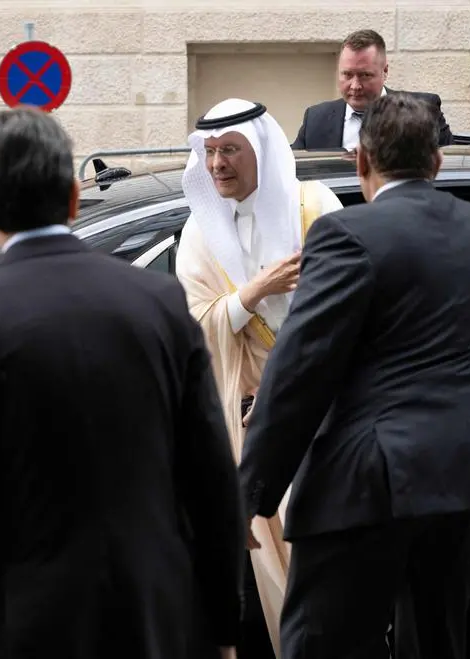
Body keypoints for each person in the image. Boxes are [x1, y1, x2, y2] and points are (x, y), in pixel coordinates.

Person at [0, 106, 247, 659]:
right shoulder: (159, 302)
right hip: (156, 617)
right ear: (72, 198)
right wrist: (223, 627)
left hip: (29, 623)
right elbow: (211, 479)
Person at [239, 92, 470, 659]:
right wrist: (454, 375)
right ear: (437, 163)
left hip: (368, 477)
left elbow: (300, 370)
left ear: (361, 162)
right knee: (440, 640)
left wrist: (252, 493)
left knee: (324, 642)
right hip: (466, 470)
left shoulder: (346, 235)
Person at [174, 97, 343, 659]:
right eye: (212, 152)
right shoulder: (199, 234)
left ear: (261, 152)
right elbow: (194, 329)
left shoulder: (316, 207)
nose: (219, 164)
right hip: (252, 427)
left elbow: (353, 311)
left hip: (326, 422)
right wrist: (251, 295)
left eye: (231, 151)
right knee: (271, 583)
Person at [291, 29, 453, 151]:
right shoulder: (316, 119)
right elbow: (291, 171)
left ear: (385, 71)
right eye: (347, 75)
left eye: (365, 75)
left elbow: (451, 172)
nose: (355, 86)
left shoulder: (423, 111)